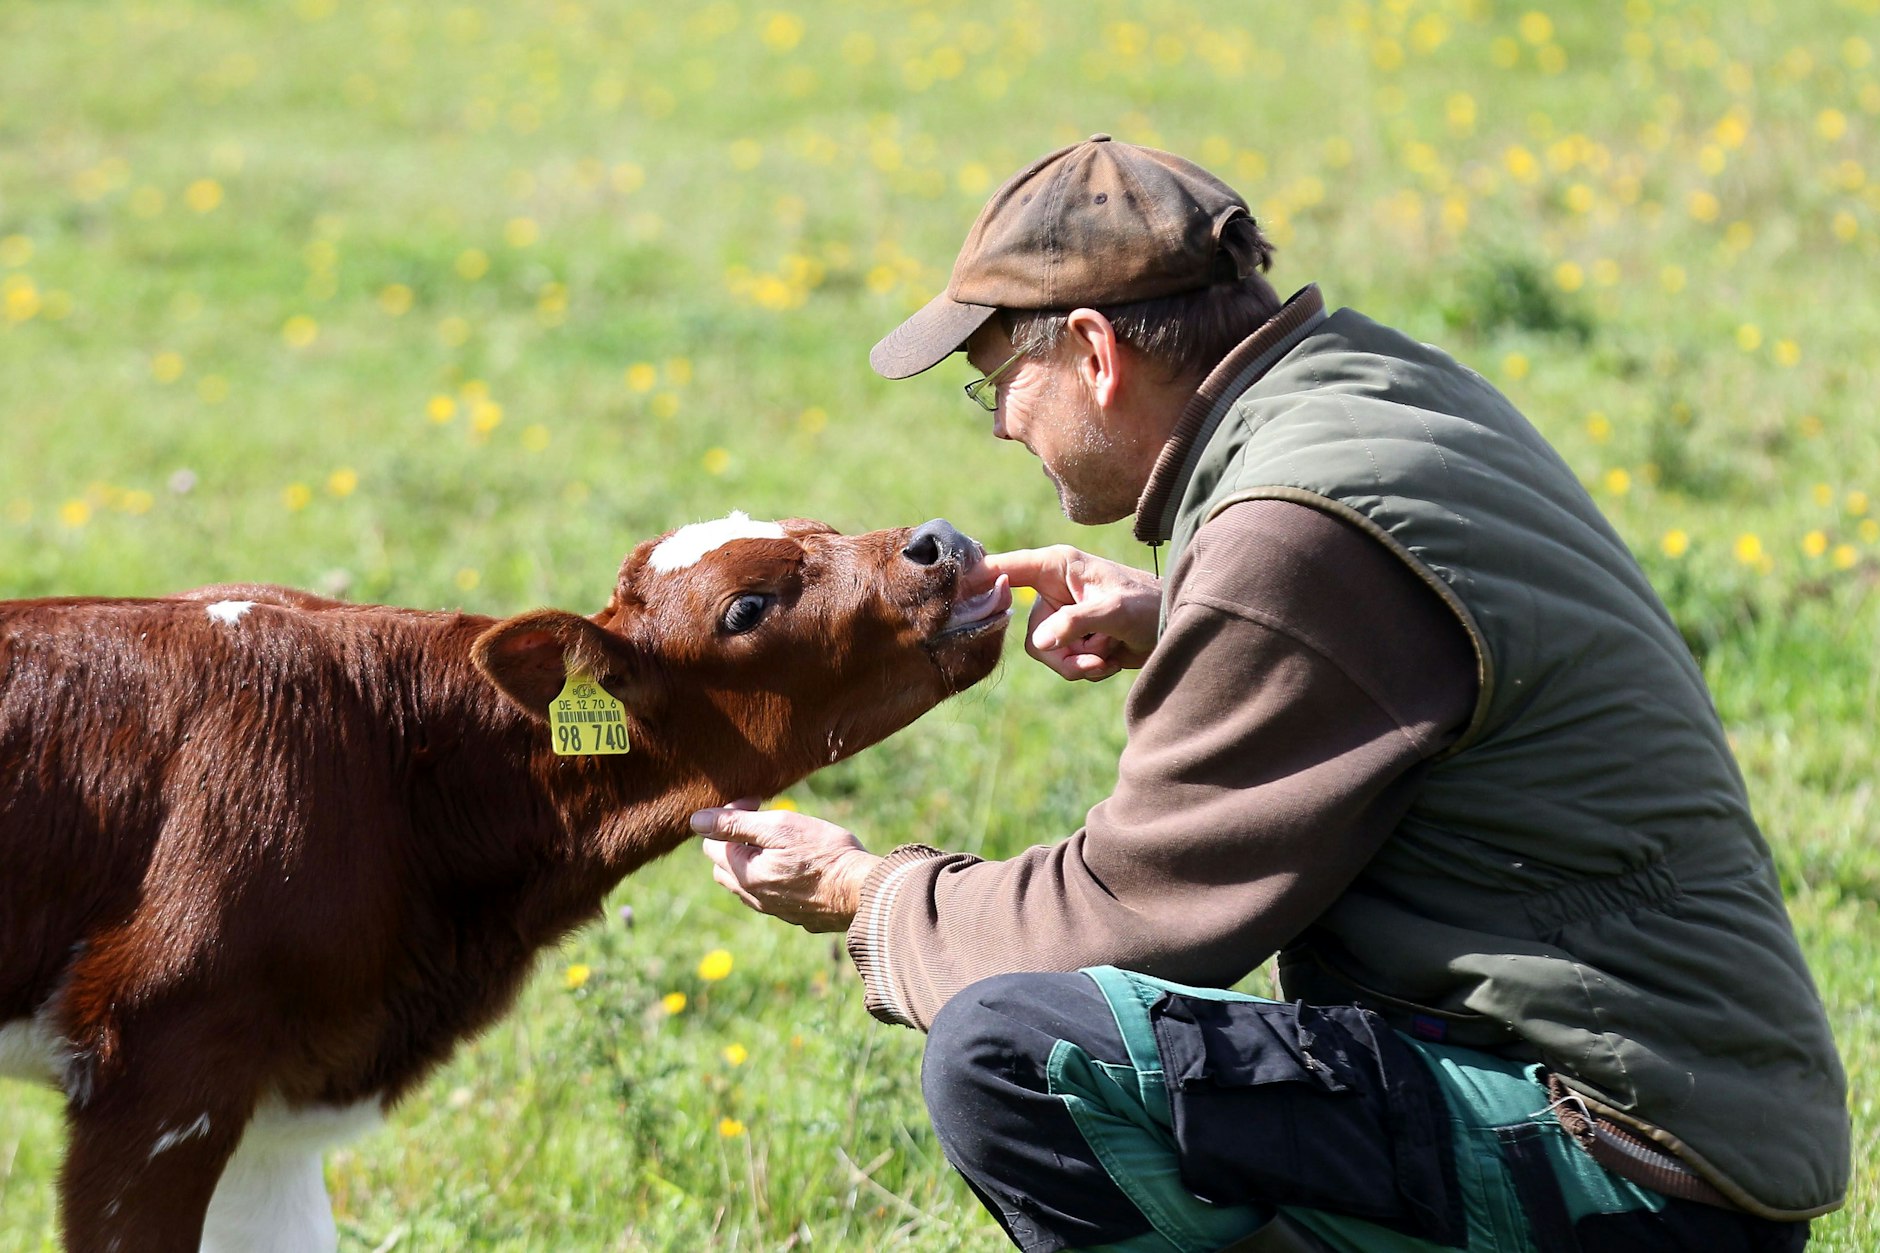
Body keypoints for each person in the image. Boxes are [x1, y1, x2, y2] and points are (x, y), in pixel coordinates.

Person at [689, 135, 1849, 1252]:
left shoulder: (1286, 535)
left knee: (1013, 1050)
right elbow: (1416, 646)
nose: (997, 421)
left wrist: (862, 888)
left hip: (1623, 1161)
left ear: (1094, 353)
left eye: (997, 381)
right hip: (1692, 1108)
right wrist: (1183, 611)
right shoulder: (1371, 391)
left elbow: (1120, 913)